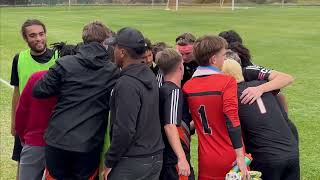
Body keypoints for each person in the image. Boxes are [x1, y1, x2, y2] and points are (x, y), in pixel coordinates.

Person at [32, 21, 119, 179]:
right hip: (87, 143)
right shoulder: (111, 71)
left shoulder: (65, 63)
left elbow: (40, 89)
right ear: (105, 42)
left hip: (57, 139)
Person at [182, 35, 249, 179]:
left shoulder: (188, 86)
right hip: (231, 156)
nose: (225, 59)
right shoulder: (227, 82)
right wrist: (240, 156)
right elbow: (231, 118)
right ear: (213, 59)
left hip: (206, 159)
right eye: (223, 55)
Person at [222, 59, 299, 180]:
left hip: (266, 157)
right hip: (291, 151)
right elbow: (281, 94)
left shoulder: (230, 96)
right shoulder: (260, 84)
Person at [104, 27, 164, 180]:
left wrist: (110, 161)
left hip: (132, 161)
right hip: (154, 158)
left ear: (122, 52)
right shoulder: (148, 74)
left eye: (115, 47)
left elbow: (124, 130)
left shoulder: (127, 84)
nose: (113, 51)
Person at [219, 30, 298, 142]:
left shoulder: (249, 71)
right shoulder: (236, 70)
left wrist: (260, 89)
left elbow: (285, 82)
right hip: (265, 135)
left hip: (274, 135)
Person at [9, 19, 58, 180]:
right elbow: (17, 92)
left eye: (41, 34)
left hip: (54, 124)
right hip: (28, 124)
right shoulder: (19, 59)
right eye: (32, 36)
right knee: (23, 168)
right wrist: (14, 123)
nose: (38, 39)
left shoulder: (59, 57)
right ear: (25, 38)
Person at [156, 48, 195, 180]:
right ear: (180, 67)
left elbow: (178, 125)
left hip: (166, 159)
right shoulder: (174, 92)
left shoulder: (160, 90)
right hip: (174, 162)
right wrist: (182, 158)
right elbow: (170, 125)